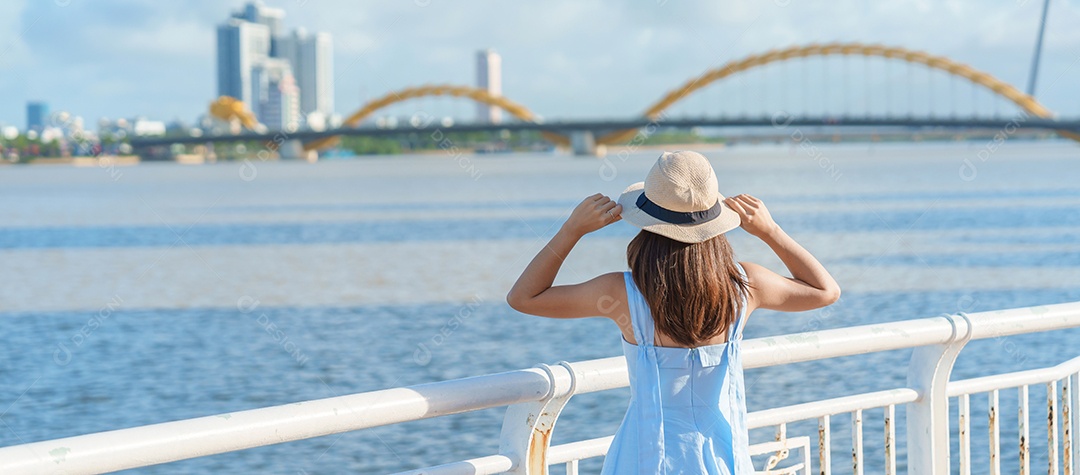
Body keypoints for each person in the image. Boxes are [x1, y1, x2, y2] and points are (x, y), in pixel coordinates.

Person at [506, 150, 840, 474]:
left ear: (647, 223)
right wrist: (771, 231)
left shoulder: (622, 293)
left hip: (642, 459)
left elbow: (524, 298)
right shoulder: (744, 286)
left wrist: (571, 230)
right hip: (721, 459)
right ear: (715, 222)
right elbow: (826, 291)